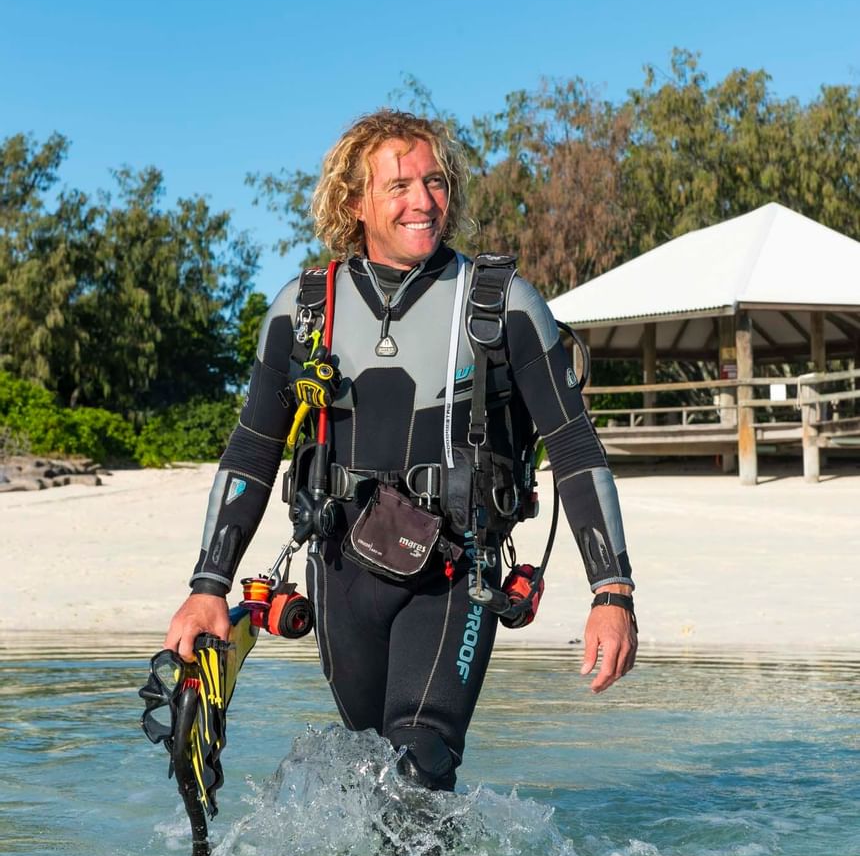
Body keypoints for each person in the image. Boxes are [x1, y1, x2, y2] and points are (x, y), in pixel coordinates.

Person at [164, 110, 636, 794]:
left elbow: (574, 445)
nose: (424, 201)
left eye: (436, 181)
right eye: (399, 186)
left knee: (420, 762)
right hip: (338, 572)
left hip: (453, 575)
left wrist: (611, 592)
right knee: (371, 770)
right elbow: (251, 450)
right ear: (354, 202)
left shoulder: (503, 305)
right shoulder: (303, 311)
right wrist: (208, 586)